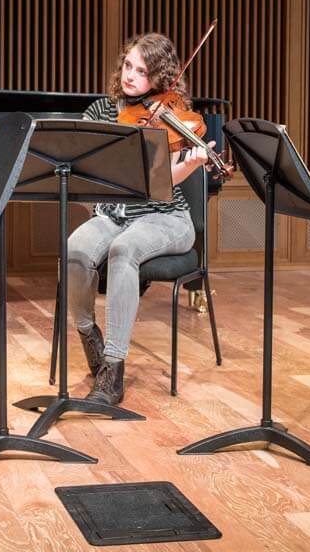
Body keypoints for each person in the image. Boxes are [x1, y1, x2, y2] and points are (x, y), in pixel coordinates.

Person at [67, 33, 212, 405]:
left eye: (142, 71)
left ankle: (113, 370)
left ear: (160, 79)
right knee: (76, 249)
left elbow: (165, 183)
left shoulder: (174, 114)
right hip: (115, 213)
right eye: (128, 66)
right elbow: (85, 167)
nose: (131, 76)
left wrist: (193, 163)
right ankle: (90, 338)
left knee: (123, 250)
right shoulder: (101, 112)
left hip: (164, 216)